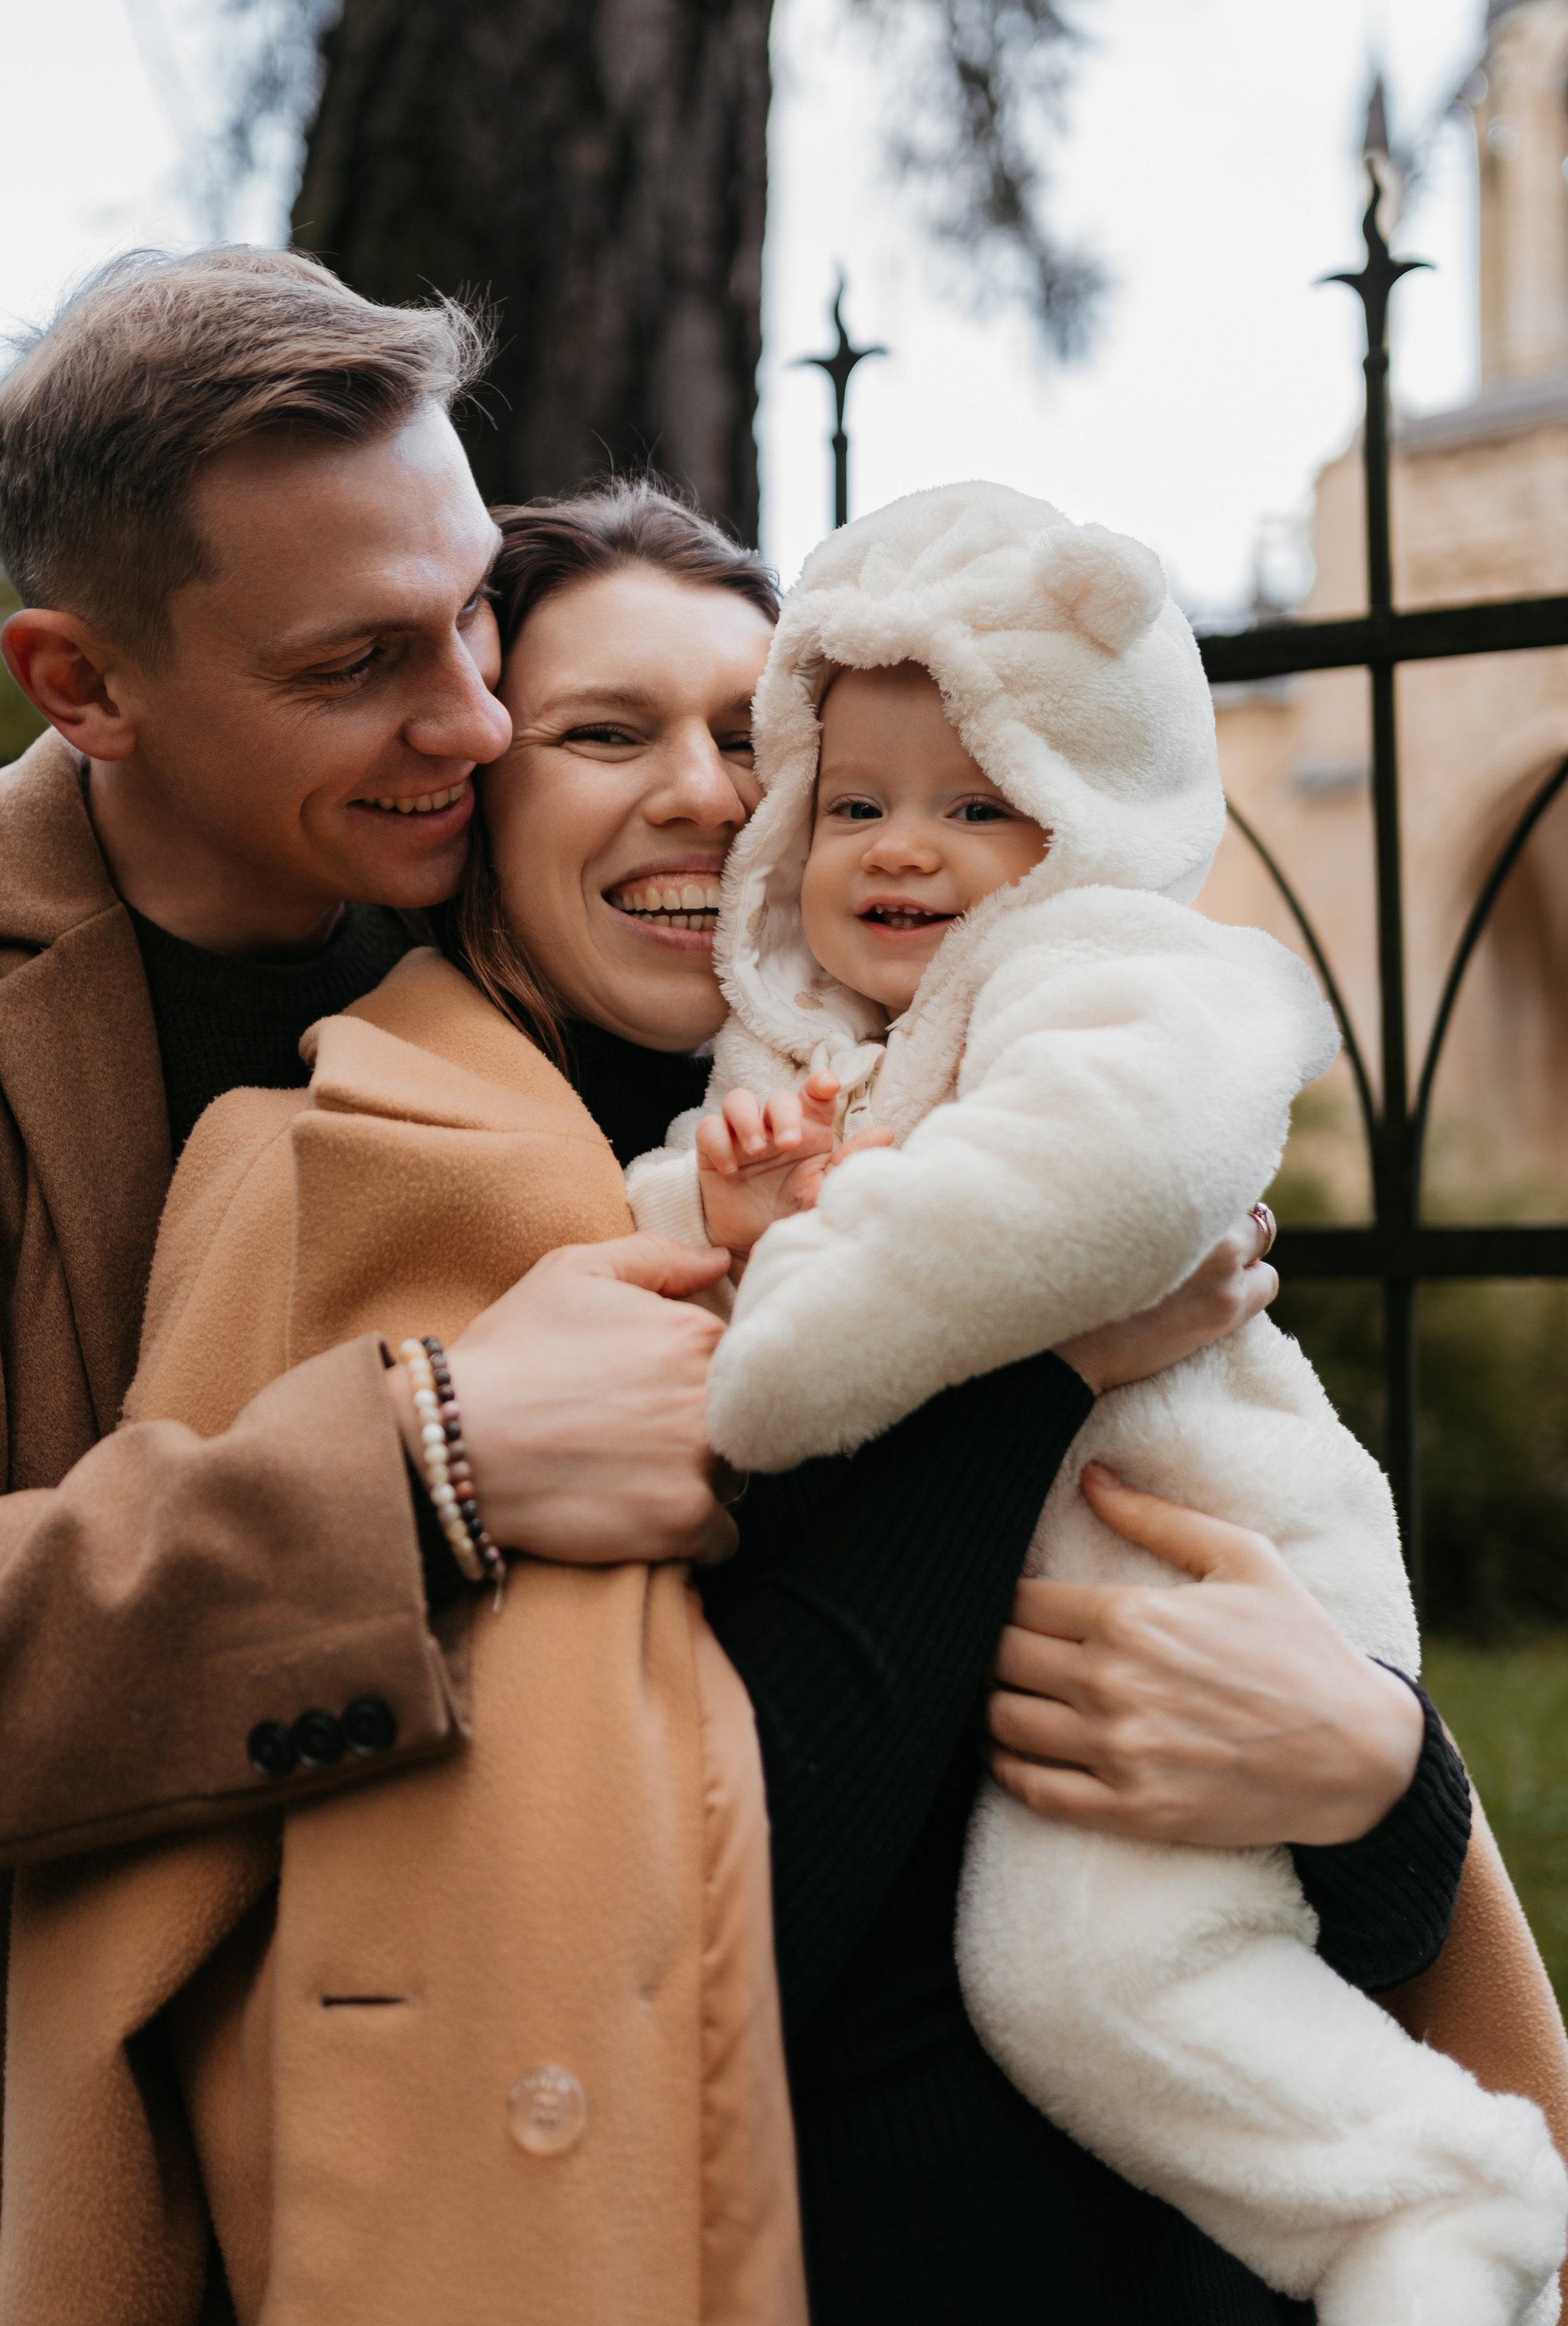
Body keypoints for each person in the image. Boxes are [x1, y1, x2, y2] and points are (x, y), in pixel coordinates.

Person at [0, 249, 1312, 2323]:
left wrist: (1381, 1784)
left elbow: (1215, 1573)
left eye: (472, 627)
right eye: (364, 665)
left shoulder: (828, 1053)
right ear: (83, 686)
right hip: (93, 2144)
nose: (475, 715)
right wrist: (429, 1462)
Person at [1, 479, 1503, 2325]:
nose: (709, 792)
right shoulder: (350, 1184)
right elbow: (656, 1935)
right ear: (479, 794)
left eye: (748, 730)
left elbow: (1304, 1864)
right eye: (605, 732)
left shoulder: (997, 1123)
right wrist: (1025, 1370)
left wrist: (1374, 1783)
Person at [624, 480, 1568, 2322]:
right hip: (1044, 1715)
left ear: (1094, 821)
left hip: (1190, 1567)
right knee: (1089, 1984)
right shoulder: (814, 1055)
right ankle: (1429, 2208)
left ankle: (1437, 2218)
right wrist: (726, 1216)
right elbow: (685, 1261)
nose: (907, 849)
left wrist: (794, 1309)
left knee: (1114, 1978)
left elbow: (1104, 1181)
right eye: (857, 802)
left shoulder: (1115, 973)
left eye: (985, 805)